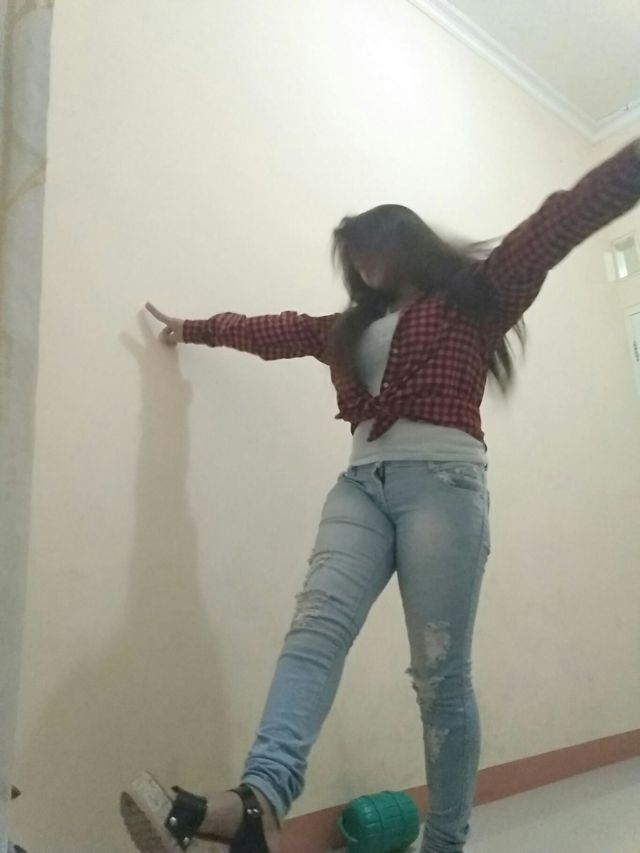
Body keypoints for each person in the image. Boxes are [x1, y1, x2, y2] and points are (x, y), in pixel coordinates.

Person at [121, 139, 640, 853]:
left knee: (439, 678)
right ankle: (258, 803)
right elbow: (275, 331)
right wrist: (193, 329)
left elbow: (562, 218)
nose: (362, 264)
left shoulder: (479, 295)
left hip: (444, 487)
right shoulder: (349, 328)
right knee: (314, 631)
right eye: (352, 256)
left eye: (371, 247)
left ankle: (445, 842)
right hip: (361, 487)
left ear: (405, 242)